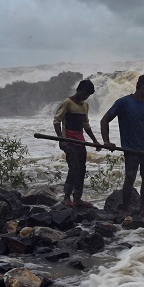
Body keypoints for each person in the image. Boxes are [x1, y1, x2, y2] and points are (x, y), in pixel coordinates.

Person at [100, 74, 144, 219]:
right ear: (142, 88)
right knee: (130, 179)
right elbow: (104, 120)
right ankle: (126, 210)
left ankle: (143, 210)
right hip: (131, 149)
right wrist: (106, 141)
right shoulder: (123, 102)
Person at [53, 79, 102, 207]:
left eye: (88, 95)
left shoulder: (85, 105)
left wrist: (95, 141)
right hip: (68, 141)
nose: (85, 97)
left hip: (80, 141)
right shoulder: (67, 103)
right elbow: (57, 121)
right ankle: (66, 197)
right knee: (74, 168)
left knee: (82, 169)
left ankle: (77, 198)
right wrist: (61, 139)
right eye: (84, 94)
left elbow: (86, 124)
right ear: (78, 90)